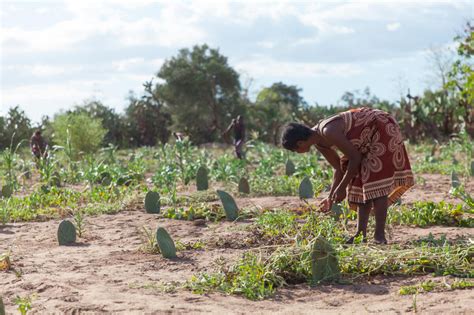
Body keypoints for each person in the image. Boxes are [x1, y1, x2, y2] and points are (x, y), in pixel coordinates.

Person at [281, 107, 414, 244]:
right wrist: (331, 196)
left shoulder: (328, 131)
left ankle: (379, 236)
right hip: (366, 139)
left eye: (295, 150)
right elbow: (338, 168)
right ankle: (360, 235)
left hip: (381, 127)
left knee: (376, 183)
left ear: (300, 143)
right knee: (361, 181)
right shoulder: (319, 142)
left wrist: (343, 187)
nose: (298, 152)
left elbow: (355, 158)